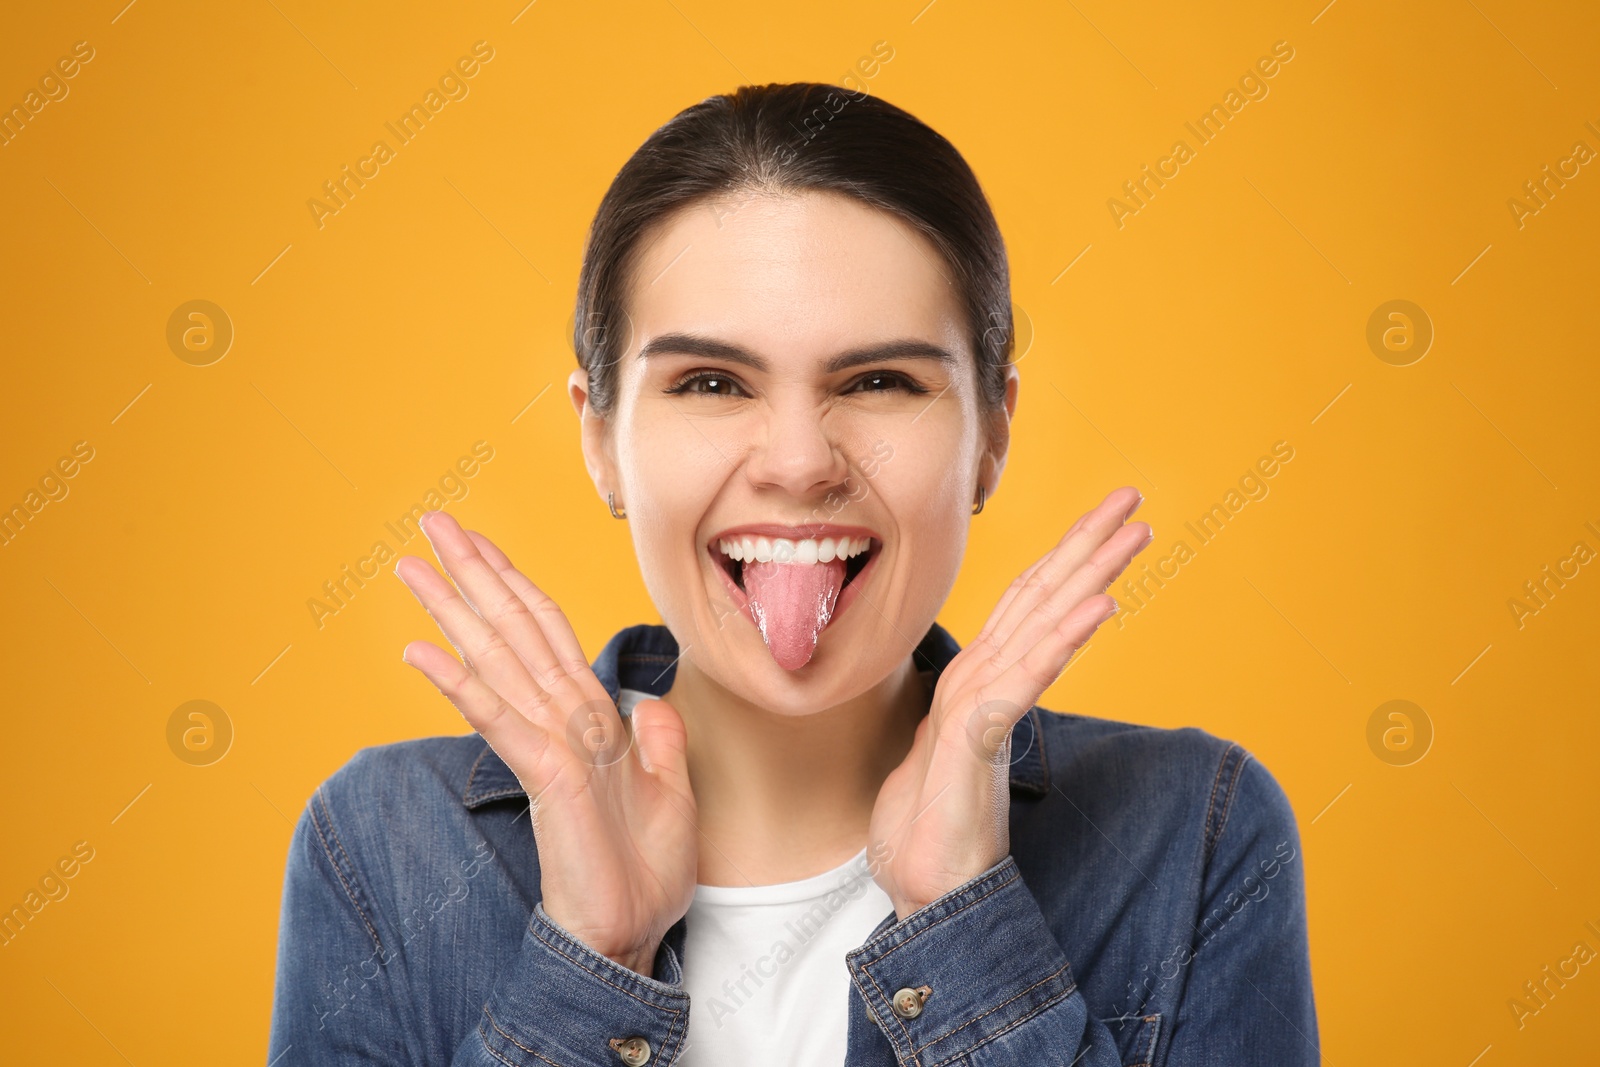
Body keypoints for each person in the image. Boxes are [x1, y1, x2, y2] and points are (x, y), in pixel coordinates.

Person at [267, 82, 1317, 1066]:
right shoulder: (385, 846)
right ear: (599, 437)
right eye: (712, 381)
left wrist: (965, 912)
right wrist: (592, 962)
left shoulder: (1191, 833)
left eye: (878, 380)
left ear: (992, 433)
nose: (800, 460)